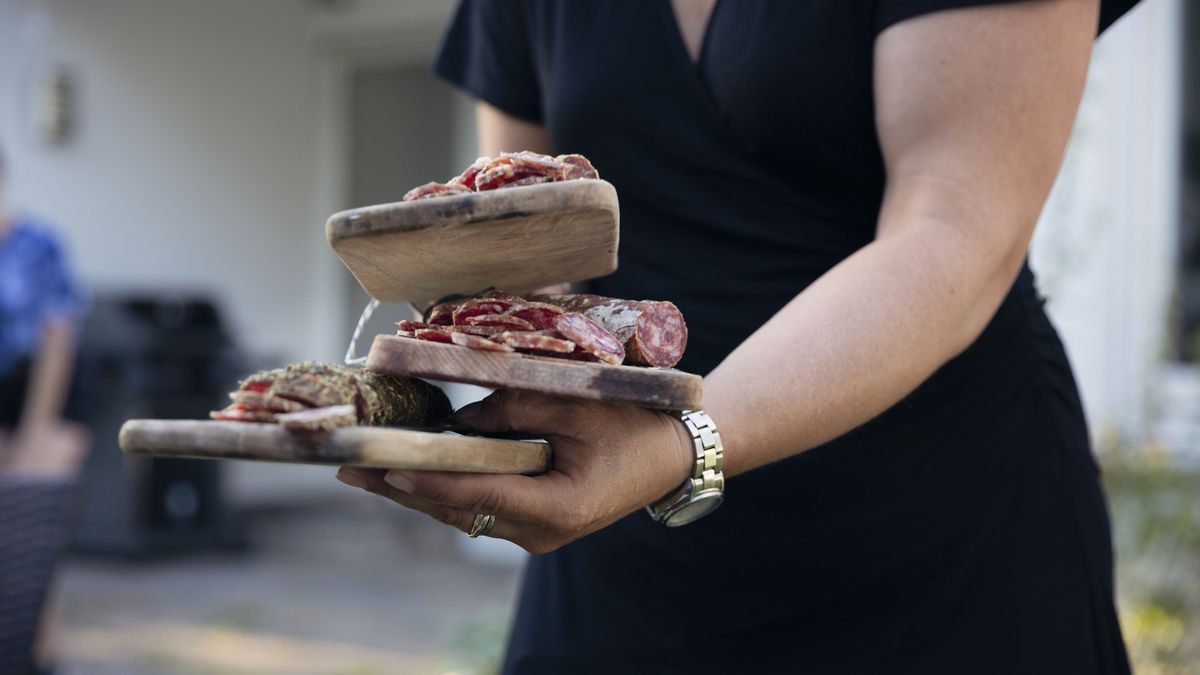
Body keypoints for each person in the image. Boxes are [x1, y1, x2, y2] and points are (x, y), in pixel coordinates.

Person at [337, 1, 1142, 672]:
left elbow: (957, 230)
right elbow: (535, 241)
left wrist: (681, 442)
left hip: (940, 550)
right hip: (624, 546)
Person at [0, 144, 88, 675]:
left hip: (45, 396)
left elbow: (59, 341)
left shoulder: (37, 244)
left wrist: (34, 431)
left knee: (35, 535)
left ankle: (41, 656)